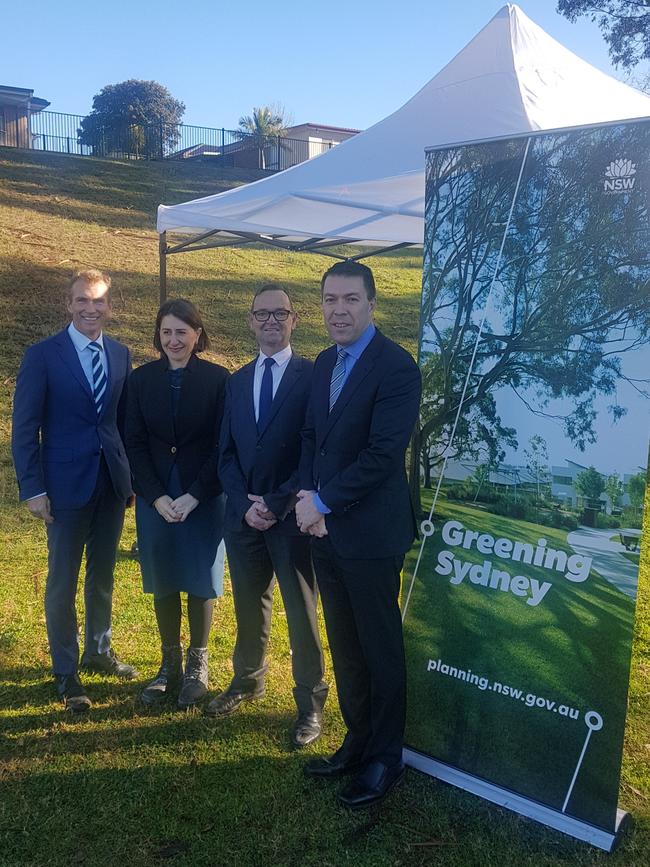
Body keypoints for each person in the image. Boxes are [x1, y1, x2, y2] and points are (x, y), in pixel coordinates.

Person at [296, 260, 422, 808]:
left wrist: (323, 500)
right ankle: (358, 738)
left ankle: (386, 758)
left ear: (373, 304)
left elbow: (381, 455)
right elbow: (312, 439)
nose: (338, 310)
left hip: (371, 534)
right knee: (346, 646)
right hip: (325, 530)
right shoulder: (324, 362)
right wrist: (307, 500)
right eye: (329, 300)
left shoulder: (396, 367)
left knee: (379, 648)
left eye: (350, 299)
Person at [208, 284, 328, 747]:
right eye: (263, 314)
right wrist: (244, 503)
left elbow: (312, 449)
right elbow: (225, 455)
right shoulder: (236, 381)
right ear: (251, 321)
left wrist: (275, 503)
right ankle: (247, 681)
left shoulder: (312, 374)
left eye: (281, 313)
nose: (272, 321)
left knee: (301, 611)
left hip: (291, 515)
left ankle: (310, 703)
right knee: (248, 604)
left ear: (295, 320)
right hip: (243, 518)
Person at [12, 269, 137, 713]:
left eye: (98, 301)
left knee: (102, 574)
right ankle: (66, 673)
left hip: (111, 486)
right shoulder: (43, 355)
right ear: (68, 304)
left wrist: (129, 479)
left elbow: (123, 424)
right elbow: (25, 428)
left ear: (109, 305)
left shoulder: (121, 354)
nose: (90, 309)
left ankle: (99, 651)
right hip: (62, 488)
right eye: (82, 301)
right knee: (62, 581)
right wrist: (33, 488)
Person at [125, 299, 228, 710]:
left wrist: (196, 494)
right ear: (158, 335)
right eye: (166, 332)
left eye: (181, 332)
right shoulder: (141, 379)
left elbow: (223, 445)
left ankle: (197, 667)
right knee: (164, 575)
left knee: (200, 576)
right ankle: (168, 666)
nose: (173, 340)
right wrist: (156, 496)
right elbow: (132, 441)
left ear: (197, 335)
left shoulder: (220, 380)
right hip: (157, 497)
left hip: (201, 494)